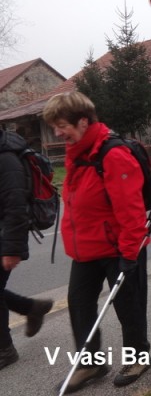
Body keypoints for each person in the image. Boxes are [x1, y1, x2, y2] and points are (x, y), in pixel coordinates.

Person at [42, 91, 151, 391]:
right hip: (87, 248)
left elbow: (131, 211)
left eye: (61, 125)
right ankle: (90, 364)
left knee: (128, 305)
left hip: (119, 247)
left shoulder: (112, 154)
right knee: (79, 304)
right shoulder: (77, 154)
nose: (57, 132)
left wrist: (130, 254)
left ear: (83, 121)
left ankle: (138, 357)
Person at [0, 130, 54, 371]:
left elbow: (16, 204)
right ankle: (31, 308)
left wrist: (12, 249)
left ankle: (5, 350)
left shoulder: (5, 158)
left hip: (4, 236)